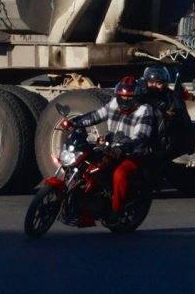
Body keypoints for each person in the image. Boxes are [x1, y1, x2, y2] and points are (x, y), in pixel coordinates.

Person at [63, 76, 156, 223]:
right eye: (122, 97)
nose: (124, 101)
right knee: (87, 165)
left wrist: (127, 146)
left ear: (136, 98)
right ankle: (80, 202)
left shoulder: (144, 110)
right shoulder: (113, 105)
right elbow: (96, 115)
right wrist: (75, 122)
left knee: (120, 174)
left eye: (128, 98)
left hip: (132, 154)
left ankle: (116, 211)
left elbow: (142, 135)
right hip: (110, 149)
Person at [142, 65, 195, 163]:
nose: (154, 86)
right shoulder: (142, 97)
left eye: (158, 83)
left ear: (165, 83)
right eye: (151, 82)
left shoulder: (173, 98)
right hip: (142, 145)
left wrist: (171, 117)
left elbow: (184, 122)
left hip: (165, 145)